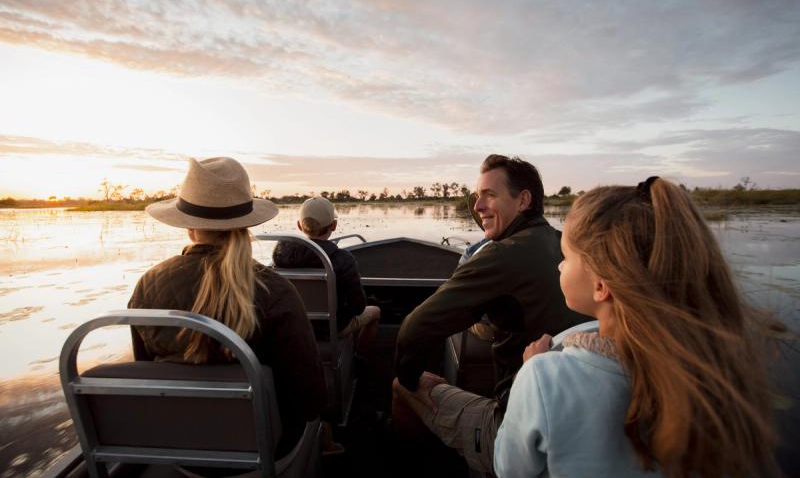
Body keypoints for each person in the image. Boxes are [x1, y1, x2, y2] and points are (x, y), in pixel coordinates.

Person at [494, 177, 781, 477]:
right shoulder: (713, 373)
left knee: (442, 397)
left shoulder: (544, 377)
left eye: (566, 257)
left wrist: (527, 371)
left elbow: (507, 468)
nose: (559, 266)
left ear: (601, 285)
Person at [393, 154, 591, 474]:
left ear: (524, 199)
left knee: (401, 388)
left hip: (517, 427)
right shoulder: (563, 243)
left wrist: (412, 376)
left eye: (489, 195)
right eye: (476, 196)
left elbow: (415, 329)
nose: (478, 205)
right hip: (576, 417)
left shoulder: (502, 255)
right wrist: (489, 218)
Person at [128, 157, 326, 459]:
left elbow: (146, 373)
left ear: (190, 227)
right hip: (265, 452)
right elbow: (310, 400)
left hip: (177, 448)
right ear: (246, 224)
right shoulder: (277, 292)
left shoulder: (148, 285)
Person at [272, 196, 380, 357]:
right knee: (375, 311)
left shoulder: (280, 255)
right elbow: (358, 307)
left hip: (295, 325)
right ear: (334, 225)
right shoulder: (343, 259)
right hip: (332, 328)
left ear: (299, 226)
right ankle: (361, 356)